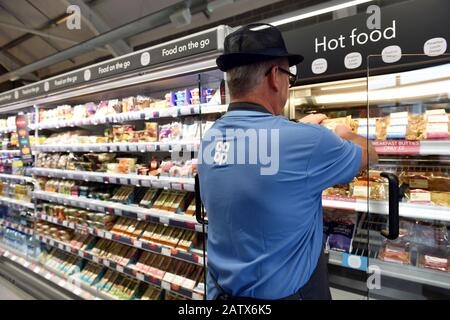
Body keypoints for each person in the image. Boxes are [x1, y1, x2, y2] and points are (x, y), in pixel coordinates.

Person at [197, 23, 378, 300]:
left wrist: (296, 128)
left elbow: (262, 153)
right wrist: (345, 133)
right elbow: (369, 154)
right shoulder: (308, 141)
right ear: (274, 76)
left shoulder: (211, 137)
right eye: (288, 76)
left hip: (222, 293)